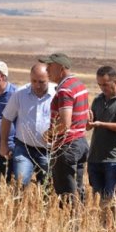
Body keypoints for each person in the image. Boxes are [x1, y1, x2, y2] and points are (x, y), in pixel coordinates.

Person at [39, 53, 89, 202]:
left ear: (61, 68)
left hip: (66, 145)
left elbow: (65, 124)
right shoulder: (79, 85)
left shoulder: (64, 90)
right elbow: (87, 115)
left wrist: (48, 133)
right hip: (81, 142)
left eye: (50, 66)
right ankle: (80, 223)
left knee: (66, 194)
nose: (47, 70)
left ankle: (71, 224)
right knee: (77, 190)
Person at [0, 63, 55, 186]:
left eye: (41, 82)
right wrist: (3, 143)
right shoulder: (20, 93)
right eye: (34, 81)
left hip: (49, 150)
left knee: (48, 187)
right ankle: (19, 205)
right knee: (20, 183)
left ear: (49, 78)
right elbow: (7, 118)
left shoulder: (57, 94)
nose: (37, 85)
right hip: (23, 148)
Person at [86, 66, 116, 202]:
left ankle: (113, 223)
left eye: (105, 84)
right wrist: (88, 122)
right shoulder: (98, 100)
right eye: (99, 84)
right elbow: (89, 126)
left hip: (112, 158)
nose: (102, 88)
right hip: (95, 157)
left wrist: (101, 124)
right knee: (97, 199)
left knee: (112, 199)